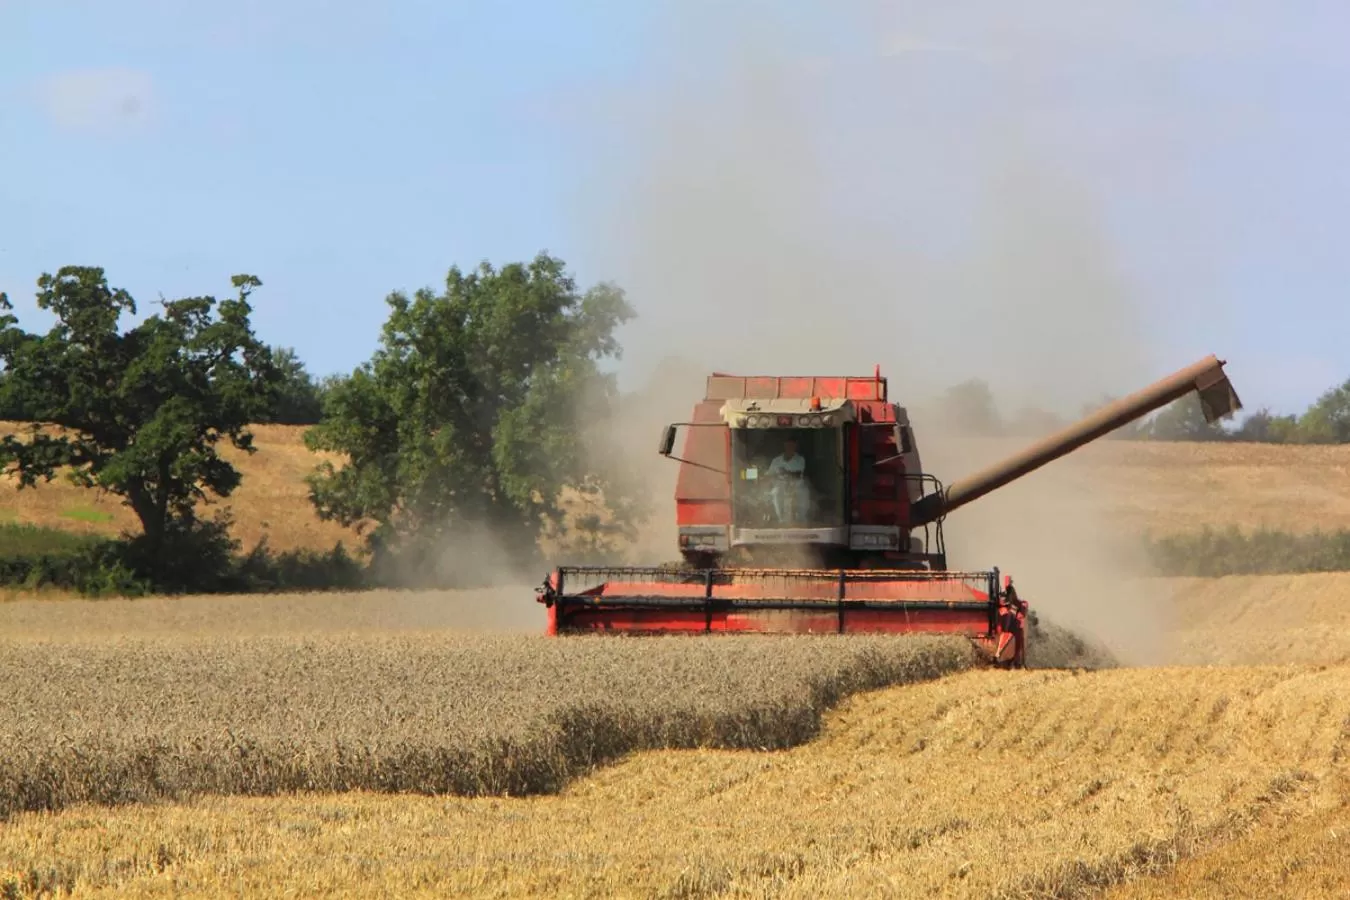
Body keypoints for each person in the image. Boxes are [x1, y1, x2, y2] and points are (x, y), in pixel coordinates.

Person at [767, 437, 810, 524]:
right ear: (784, 445)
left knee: (804, 493)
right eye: (788, 445)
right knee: (776, 493)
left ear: (795, 446)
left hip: (797, 484)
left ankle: (802, 519)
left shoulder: (800, 459)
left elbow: (798, 474)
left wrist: (786, 472)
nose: (790, 447)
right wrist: (773, 477)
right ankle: (781, 520)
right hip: (780, 484)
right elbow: (769, 474)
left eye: (792, 445)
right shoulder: (776, 460)